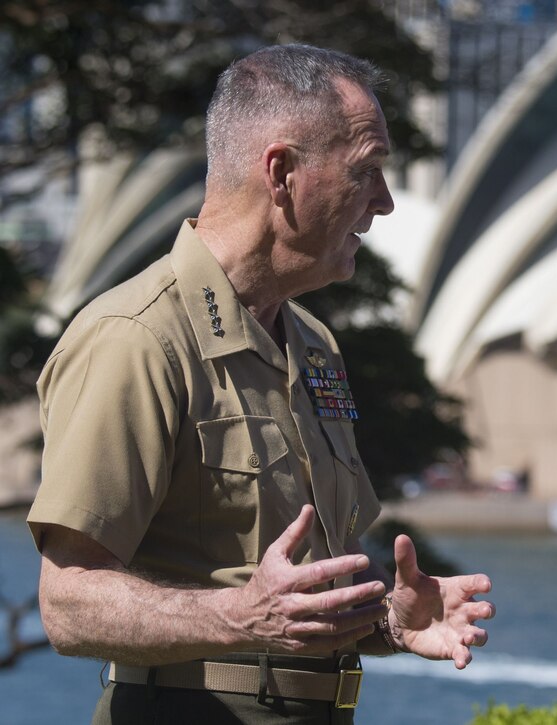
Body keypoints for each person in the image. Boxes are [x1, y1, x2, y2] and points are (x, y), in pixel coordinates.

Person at [27, 44, 494, 723]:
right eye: (367, 172)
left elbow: (294, 596)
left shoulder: (315, 345)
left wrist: (390, 619)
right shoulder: (135, 336)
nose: (386, 202)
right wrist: (238, 616)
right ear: (283, 173)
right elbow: (68, 603)